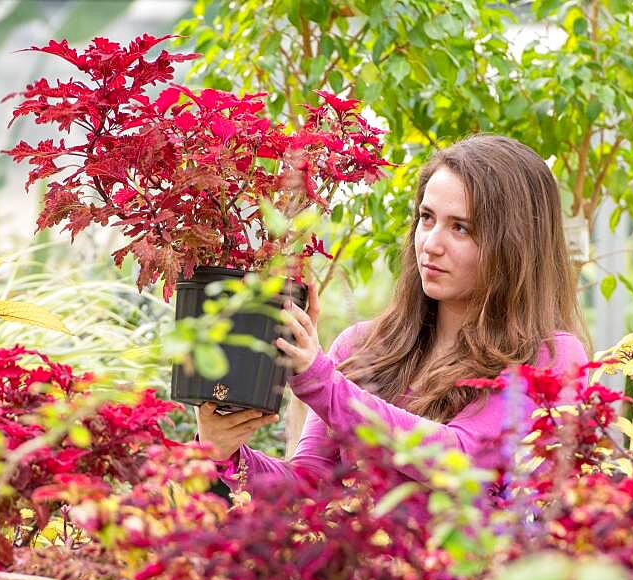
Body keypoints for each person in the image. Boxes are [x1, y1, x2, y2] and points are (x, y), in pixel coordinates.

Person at [194, 134, 589, 489]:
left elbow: (462, 459)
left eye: (461, 228)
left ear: (514, 246)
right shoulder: (363, 348)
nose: (431, 243)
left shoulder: (549, 359)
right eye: (427, 218)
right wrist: (225, 456)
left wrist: (320, 381)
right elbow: (309, 487)